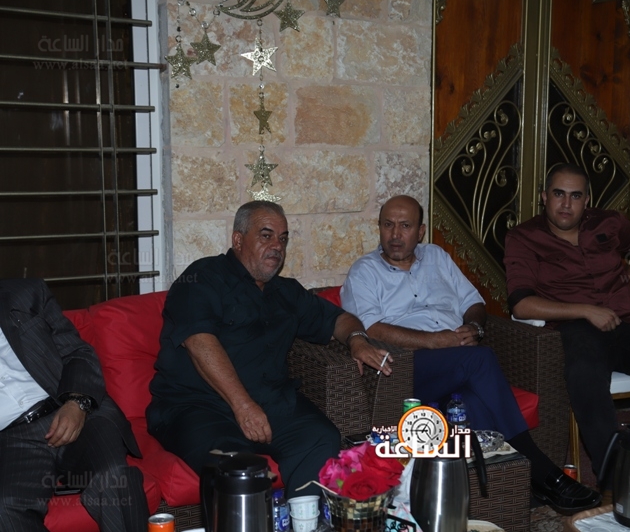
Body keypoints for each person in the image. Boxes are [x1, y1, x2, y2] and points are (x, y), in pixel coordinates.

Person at [341, 194, 601, 513]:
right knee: (480, 359)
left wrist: (474, 328)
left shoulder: (436, 257)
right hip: (406, 367)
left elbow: (474, 302)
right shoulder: (364, 271)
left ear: (420, 231)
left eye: (405, 226)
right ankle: (546, 474)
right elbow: (372, 329)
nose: (395, 234)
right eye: (388, 225)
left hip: (454, 362)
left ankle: (508, 494)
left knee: (472, 403)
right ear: (379, 227)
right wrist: (433, 341)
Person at [146, 201, 389, 498]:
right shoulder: (202, 278)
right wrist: (244, 406)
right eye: (266, 235)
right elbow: (199, 342)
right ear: (238, 240)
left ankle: (303, 519)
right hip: (198, 406)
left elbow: (339, 318)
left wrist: (357, 339)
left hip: (271, 402)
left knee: (321, 438)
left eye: (283, 238)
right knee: (236, 465)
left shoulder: (286, 292)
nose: (277, 246)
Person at [504, 163, 630, 479]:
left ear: (586, 200)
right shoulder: (524, 237)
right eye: (558, 194)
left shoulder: (608, 223)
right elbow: (521, 304)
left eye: (575, 196)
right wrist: (585, 310)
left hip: (628, 322)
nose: (566, 204)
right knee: (585, 375)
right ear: (544, 197)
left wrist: (624, 289)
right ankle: (616, 476)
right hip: (576, 326)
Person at [0, 278, 148, 532]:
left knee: (113, 478)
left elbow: (78, 353)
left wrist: (77, 403)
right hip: (13, 439)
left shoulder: (24, 295)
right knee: (5, 508)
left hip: (69, 407)